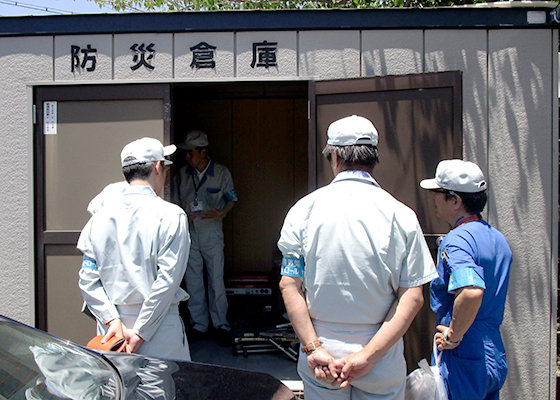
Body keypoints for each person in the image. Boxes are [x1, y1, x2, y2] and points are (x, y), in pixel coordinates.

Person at [277, 115, 437, 400]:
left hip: (323, 353)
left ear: (334, 157)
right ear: (373, 158)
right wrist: (368, 356)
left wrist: (313, 348)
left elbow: (290, 284)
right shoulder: (401, 215)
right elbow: (413, 297)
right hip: (380, 354)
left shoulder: (303, 211)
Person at [78, 137, 191, 361]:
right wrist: (141, 332)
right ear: (158, 167)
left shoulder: (99, 217)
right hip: (158, 328)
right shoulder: (171, 215)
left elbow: (87, 278)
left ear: (125, 174)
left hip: (113, 333)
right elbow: (167, 281)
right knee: (162, 392)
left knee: (117, 391)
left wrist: (111, 319)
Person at [419, 159, 512, 400]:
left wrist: (453, 335)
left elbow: (471, 291)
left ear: (455, 200)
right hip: (492, 348)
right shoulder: (497, 238)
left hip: (463, 351)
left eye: (438, 193)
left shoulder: (457, 241)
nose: (433, 199)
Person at [172, 130, 238, 346]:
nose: (187, 157)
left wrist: (220, 213)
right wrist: (182, 211)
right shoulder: (181, 174)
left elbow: (231, 199)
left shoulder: (221, 173)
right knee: (193, 280)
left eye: (190, 153)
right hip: (189, 231)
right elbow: (173, 202)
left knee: (215, 280)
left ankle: (221, 325)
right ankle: (199, 325)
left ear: (203, 152)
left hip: (212, 231)